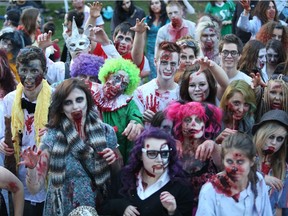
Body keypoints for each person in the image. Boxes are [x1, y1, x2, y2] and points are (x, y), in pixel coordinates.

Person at [19, 78, 122, 216]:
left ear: (87, 101)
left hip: (99, 206)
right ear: (61, 108)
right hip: (62, 209)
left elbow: (118, 172)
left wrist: (113, 160)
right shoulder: (52, 137)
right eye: (68, 102)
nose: (75, 107)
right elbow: (34, 188)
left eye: (79, 100)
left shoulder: (106, 132)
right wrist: (32, 169)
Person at [0, 46, 52, 216]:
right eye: (24, 70)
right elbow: (1, 133)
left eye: (34, 71)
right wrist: (1, 142)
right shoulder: (9, 100)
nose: (28, 78)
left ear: (44, 71)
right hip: (18, 177)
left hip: (47, 177)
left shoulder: (56, 99)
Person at [100, 127, 194, 216]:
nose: (159, 159)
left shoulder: (181, 186)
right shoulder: (124, 177)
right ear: (140, 155)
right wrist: (120, 206)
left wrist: (172, 212)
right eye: (152, 153)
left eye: (164, 154)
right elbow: (103, 208)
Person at [165, 101, 222, 215]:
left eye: (198, 120)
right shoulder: (173, 148)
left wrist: (214, 145)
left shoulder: (212, 149)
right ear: (180, 124)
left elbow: (224, 165)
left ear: (205, 125)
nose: (193, 124)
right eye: (187, 120)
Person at [196, 132, 273, 216]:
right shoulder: (210, 190)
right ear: (223, 161)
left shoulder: (258, 181)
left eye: (240, 162)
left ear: (252, 162)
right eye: (229, 161)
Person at [87, 58, 144, 163]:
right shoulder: (89, 92)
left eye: (123, 85)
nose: (118, 86)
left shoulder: (127, 103)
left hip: (115, 162)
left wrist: (135, 124)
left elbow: (136, 116)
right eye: (116, 78)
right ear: (107, 74)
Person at [133, 41, 180, 123]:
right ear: (155, 62)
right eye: (164, 63)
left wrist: (157, 120)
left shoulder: (182, 94)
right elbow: (135, 123)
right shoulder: (140, 92)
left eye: (172, 64)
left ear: (178, 65)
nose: (168, 68)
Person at [253, 110, 288, 215]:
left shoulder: (284, 168)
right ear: (262, 133)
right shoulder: (245, 157)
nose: (274, 142)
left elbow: (279, 209)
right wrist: (261, 177)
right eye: (271, 136)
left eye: (279, 139)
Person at [146, 0, 169, 80]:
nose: (154, 5)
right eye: (152, 3)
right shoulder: (148, 20)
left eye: (156, 3)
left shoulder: (167, 19)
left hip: (164, 50)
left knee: (164, 72)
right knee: (153, 74)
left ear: (161, 4)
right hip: (150, 51)